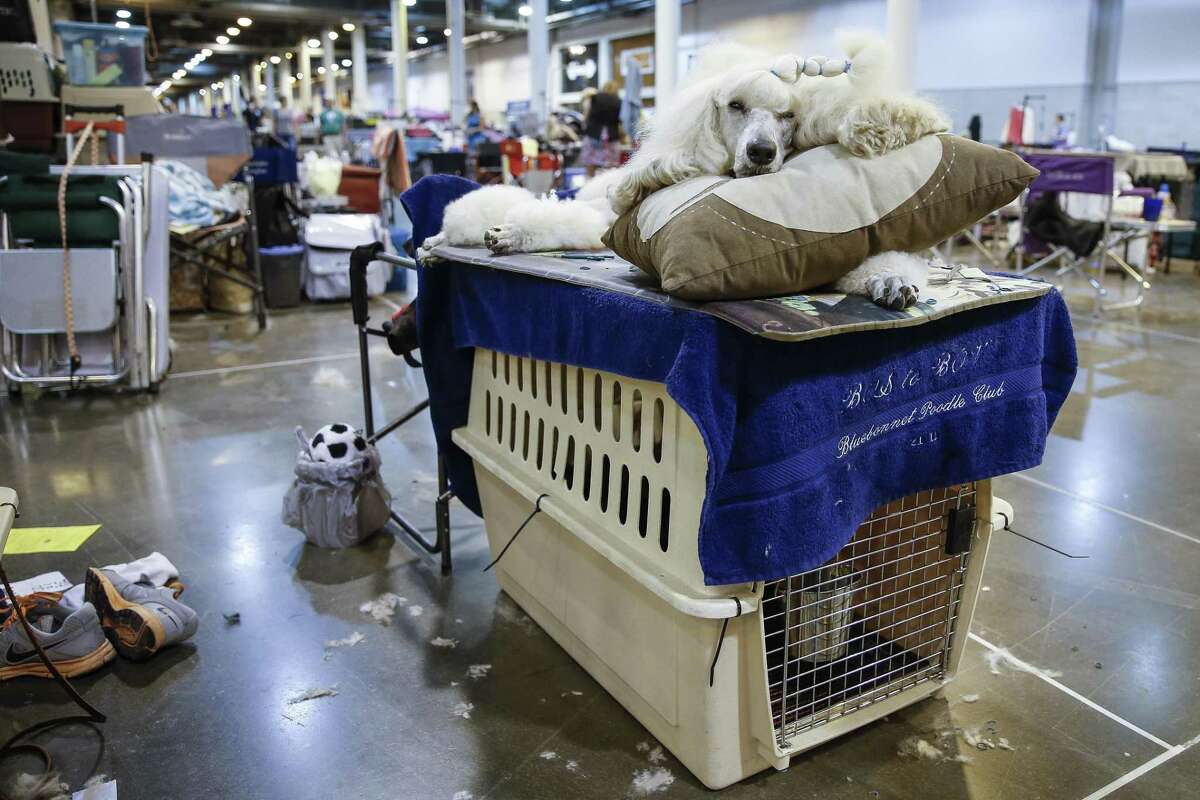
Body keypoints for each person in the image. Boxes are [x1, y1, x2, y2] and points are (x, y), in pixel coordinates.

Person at [580, 80, 622, 177]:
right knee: (611, 166)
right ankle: (608, 184)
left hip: (593, 134)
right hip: (611, 136)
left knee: (590, 162)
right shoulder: (618, 101)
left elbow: (586, 117)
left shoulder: (594, 98)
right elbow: (620, 121)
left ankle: (590, 182)